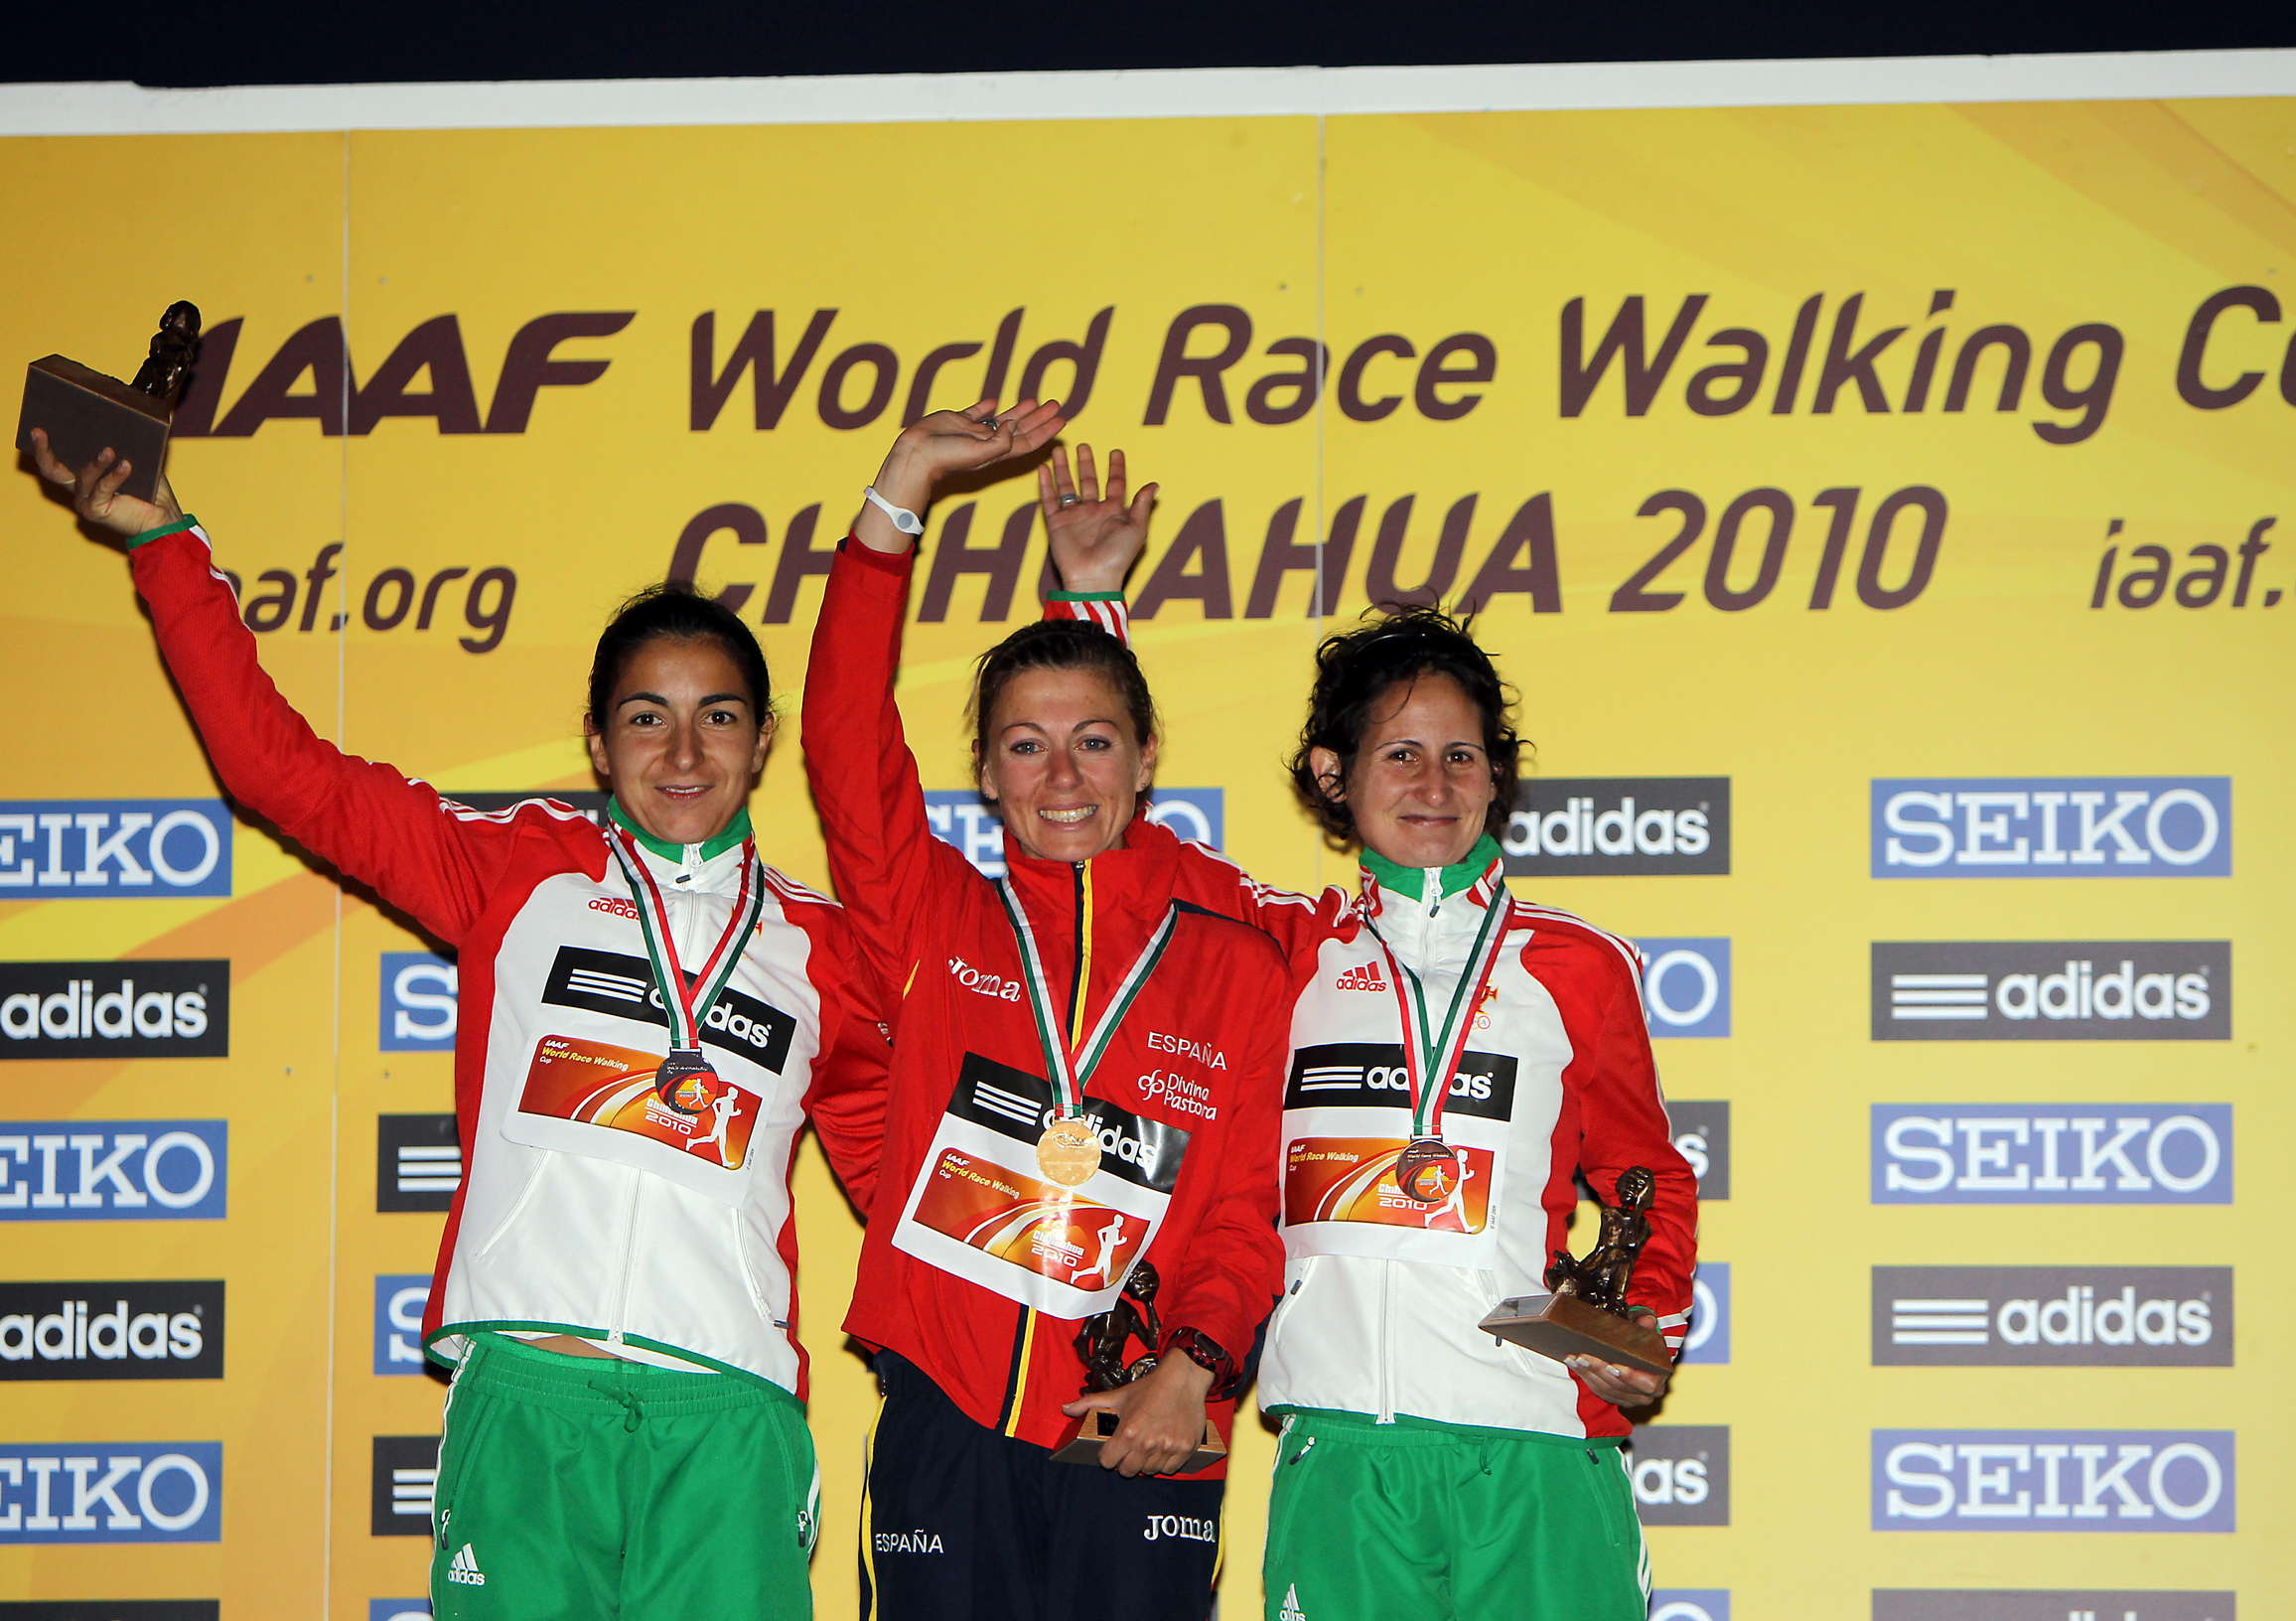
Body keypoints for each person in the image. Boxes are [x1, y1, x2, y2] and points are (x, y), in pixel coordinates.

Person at [28, 430, 887, 1621]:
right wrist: (165, 542)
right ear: (599, 743)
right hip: (531, 1395)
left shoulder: (826, 949)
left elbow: (904, 1185)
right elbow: (282, 775)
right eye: (647, 718)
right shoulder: (514, 872)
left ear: (762, 741)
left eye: (719, 717)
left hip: (729, 1414)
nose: (684, 752)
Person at [1041, 444, 1700, 1621]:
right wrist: (1090, 597)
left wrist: (1636, 1328)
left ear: (1497, 776)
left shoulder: (1576, 966)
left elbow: (1648, 1173)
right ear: (1332, 774)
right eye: (1399, 753)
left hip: (1537, 1448)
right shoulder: (1287, 948)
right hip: (1346, 1448)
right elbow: (1123, 837)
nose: (1433, 783)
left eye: (1461, 755)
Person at [798, 400, 1287, 1621]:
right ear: (983, 771)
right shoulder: (932, 917)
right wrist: (902, 488)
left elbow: (1245, 1217)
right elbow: (844, 737)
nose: (1062, 776)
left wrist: (1194, 1366)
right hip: (949, 1416)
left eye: (1094, 743)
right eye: (1025, 747)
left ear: (1147, 755)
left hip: (1143, 1417)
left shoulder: (1233, 958)